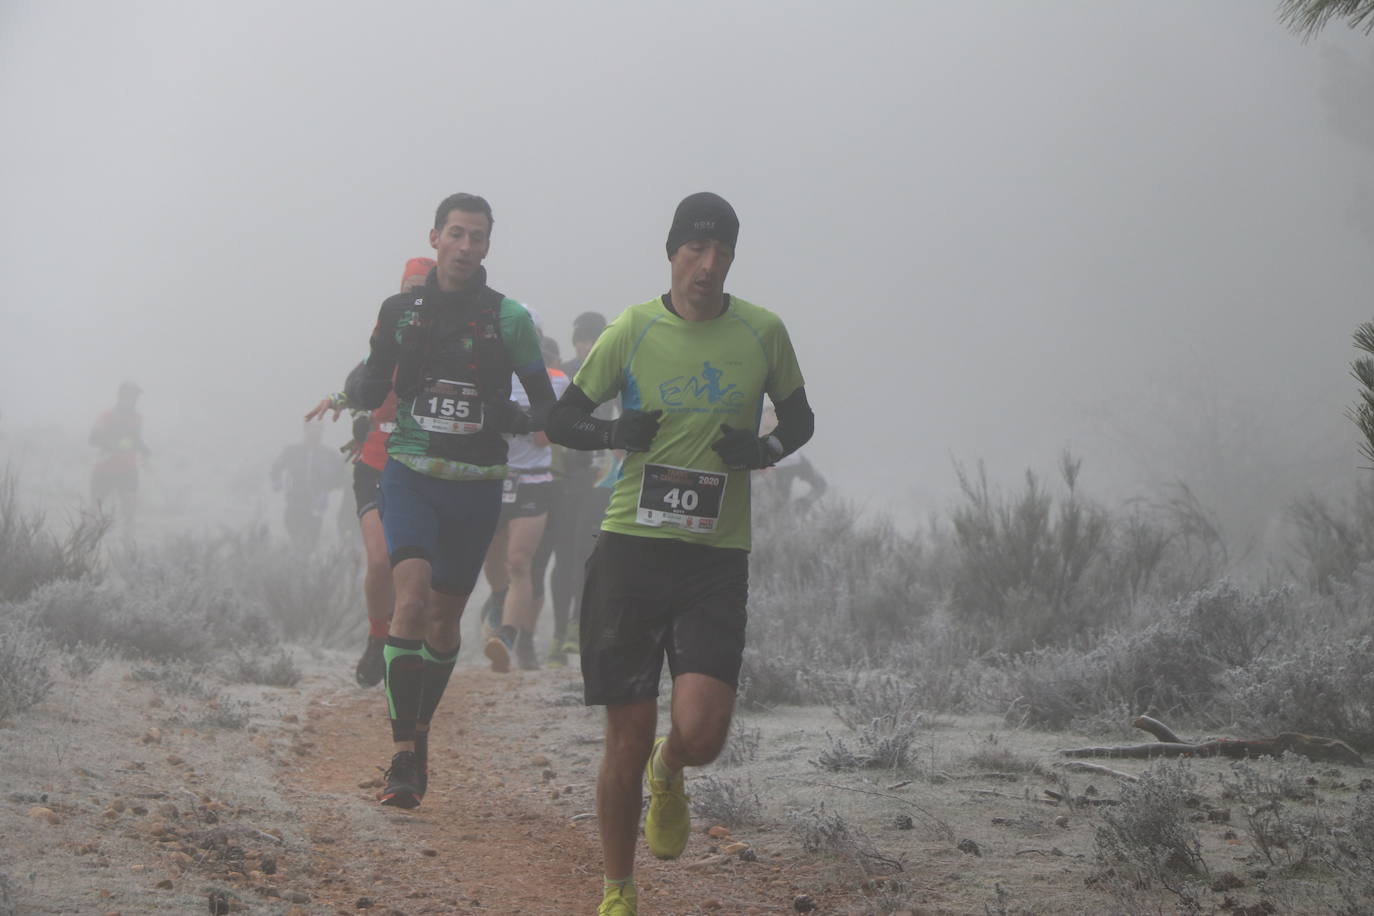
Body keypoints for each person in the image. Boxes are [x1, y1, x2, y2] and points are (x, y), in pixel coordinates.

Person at [547, 192, 814, 916]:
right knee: (625, 736)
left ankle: (673, 772)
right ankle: (617, 890)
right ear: (672, 253)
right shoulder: (633, 330)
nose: (708, 265)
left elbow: (801, 419)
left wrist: (761, 449)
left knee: (701, 731)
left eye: (722, 252)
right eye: (695, 250)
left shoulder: (763, 332)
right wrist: (613, 433)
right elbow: (562, 418)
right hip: (631, 547)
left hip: (713, 558)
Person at [345, 192, 554, 809]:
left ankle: (421, 727)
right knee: (408, 601)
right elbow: (372, 376)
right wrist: (358, 391)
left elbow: (547, 408)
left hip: (478, 483)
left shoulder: (508, 318)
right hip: (410, 473)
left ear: (488, 246)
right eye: (456, 234)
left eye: (478, 237)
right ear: (435, 237)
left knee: (443, 620)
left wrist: (508, 413)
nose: (466, 247)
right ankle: (402, 755)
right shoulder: (400, 311)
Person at [305, 256, 435, 688]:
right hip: (376, 464)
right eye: (408, 287)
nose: (414, 295)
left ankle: (409, 648)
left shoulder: (447, 345)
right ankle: (378, 639)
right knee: (380, 561)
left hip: (424, 468)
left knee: (417, 574)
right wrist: (338, 399)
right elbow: (359, 383)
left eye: (423, 287)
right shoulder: (382, 340)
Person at [481, 334, 570, 672]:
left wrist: (538, 415)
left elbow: (548, 434)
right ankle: (500, 598)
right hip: (495, 477)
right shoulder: (491, 375)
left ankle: (507, 636)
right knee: (493, 559)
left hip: (534, 479)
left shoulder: (557, 381)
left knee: (520, 561)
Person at [549, 311, 615, 659]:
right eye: (581, 339)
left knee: (584, 552)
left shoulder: (614, 375)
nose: (585, 345)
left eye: (592, 338)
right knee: (563, 555)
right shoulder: (565, 374)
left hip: (599, 479)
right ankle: (559, 634)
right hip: (563, 478)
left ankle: (577, 625)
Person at [270, 421, 345, 552]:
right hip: (294, 503)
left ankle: (304, 567)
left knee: (310, 544)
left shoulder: (329, 455)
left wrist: (326, 490)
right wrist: (277, 482)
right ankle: (294, 565)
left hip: (315, 507)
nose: (315, 431)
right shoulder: (292, 451)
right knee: (296, 539)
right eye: (312, 428)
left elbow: (340, 477)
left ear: (322, 431)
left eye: (318, 429)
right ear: (305, 430)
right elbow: (276, 467)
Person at [89, 380, 151, 521]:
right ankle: (84, 540)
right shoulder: (107, 415)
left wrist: (144, 449)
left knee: (130, 512)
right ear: (120, 396)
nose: (133, 399)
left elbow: (135, 439)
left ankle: (128, 541)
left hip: (128, 470)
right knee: (94, 510)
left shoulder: (137, 418)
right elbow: (93, 438)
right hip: (105, 469)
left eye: (135, 396)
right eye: (129, 395)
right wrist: (112, 445)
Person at [756, 402, 827, 511]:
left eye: (772, 428)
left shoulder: (792, 459)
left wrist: (803, 503)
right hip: (748, 518)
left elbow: (821, 485)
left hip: (779, 520)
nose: (767, 432)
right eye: (765, 427)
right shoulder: (749, 454)